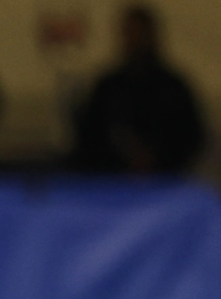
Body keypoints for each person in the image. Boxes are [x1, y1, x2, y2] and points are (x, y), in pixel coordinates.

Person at [74, 6, 204, 174]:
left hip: (165, 180)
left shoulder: (173, 88)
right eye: (131, 34)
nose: (136, 41)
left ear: (152, 36)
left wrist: (158, 158)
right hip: (114, 180)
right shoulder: (108, 87)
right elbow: (91, 136)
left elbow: (192, 137)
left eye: (140, 34)